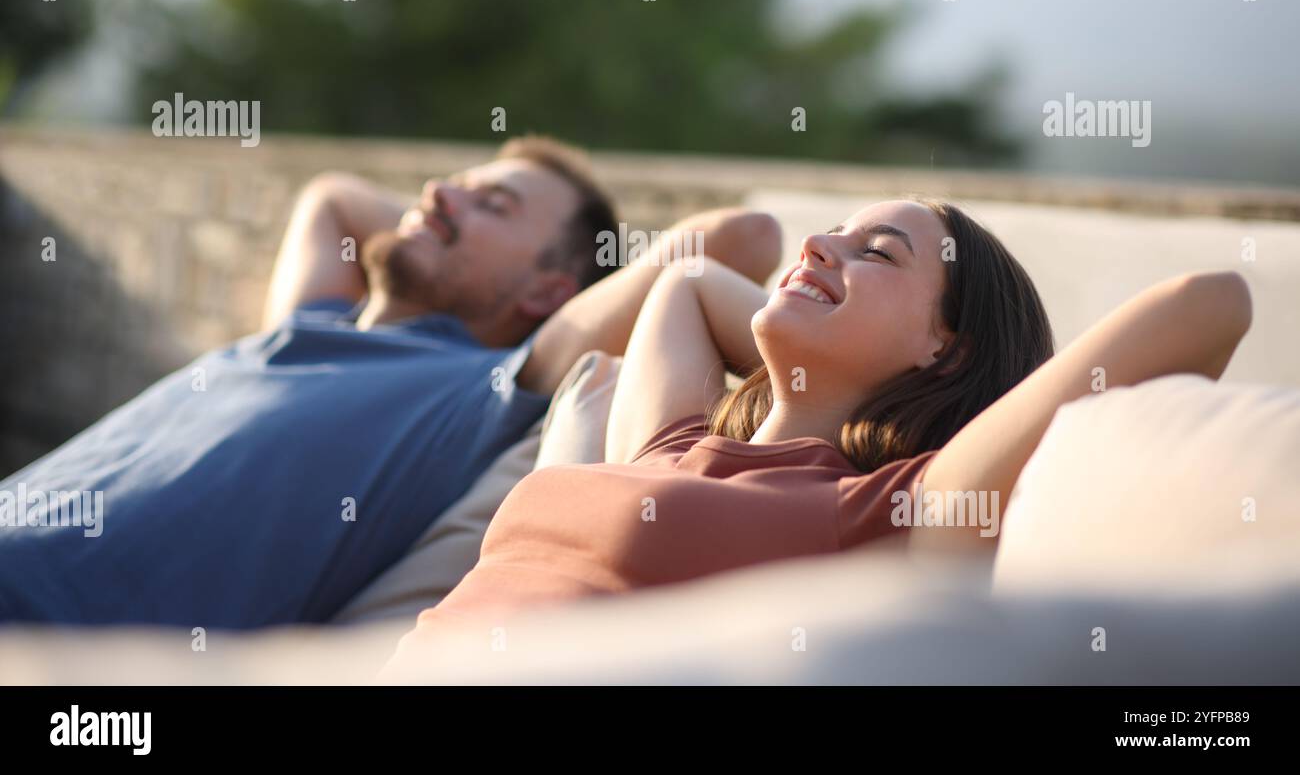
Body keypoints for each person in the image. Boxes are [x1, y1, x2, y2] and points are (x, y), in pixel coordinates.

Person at [389, 197, 1252, 663]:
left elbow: (1210, 303)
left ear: (945, 349)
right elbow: (687, 282)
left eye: (878, 252)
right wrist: (809, 310)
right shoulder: (667, 448)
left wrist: (976, 399)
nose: (817, 246)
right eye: (828, 232)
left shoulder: (899, 508)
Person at [0, 135, 782, 629]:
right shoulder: (310, 325)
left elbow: (744, 239)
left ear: (548, 293)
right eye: (450, 184)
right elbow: (331, 196)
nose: (440, 194)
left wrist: (474, 252)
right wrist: (447, 224)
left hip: (51, 638)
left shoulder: (493, 379)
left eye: (495, 205)